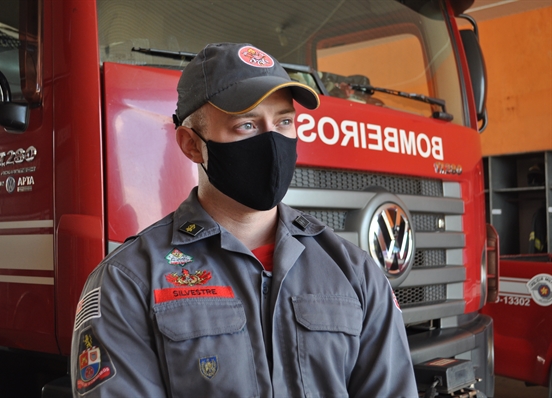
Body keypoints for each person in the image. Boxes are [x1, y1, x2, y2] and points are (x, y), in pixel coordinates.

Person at [71, 42, 418, 397]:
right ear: (192, 145)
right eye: (247, 125)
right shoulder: (128, 281)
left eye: (284, 121)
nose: (272, 142)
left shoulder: (354, 272)